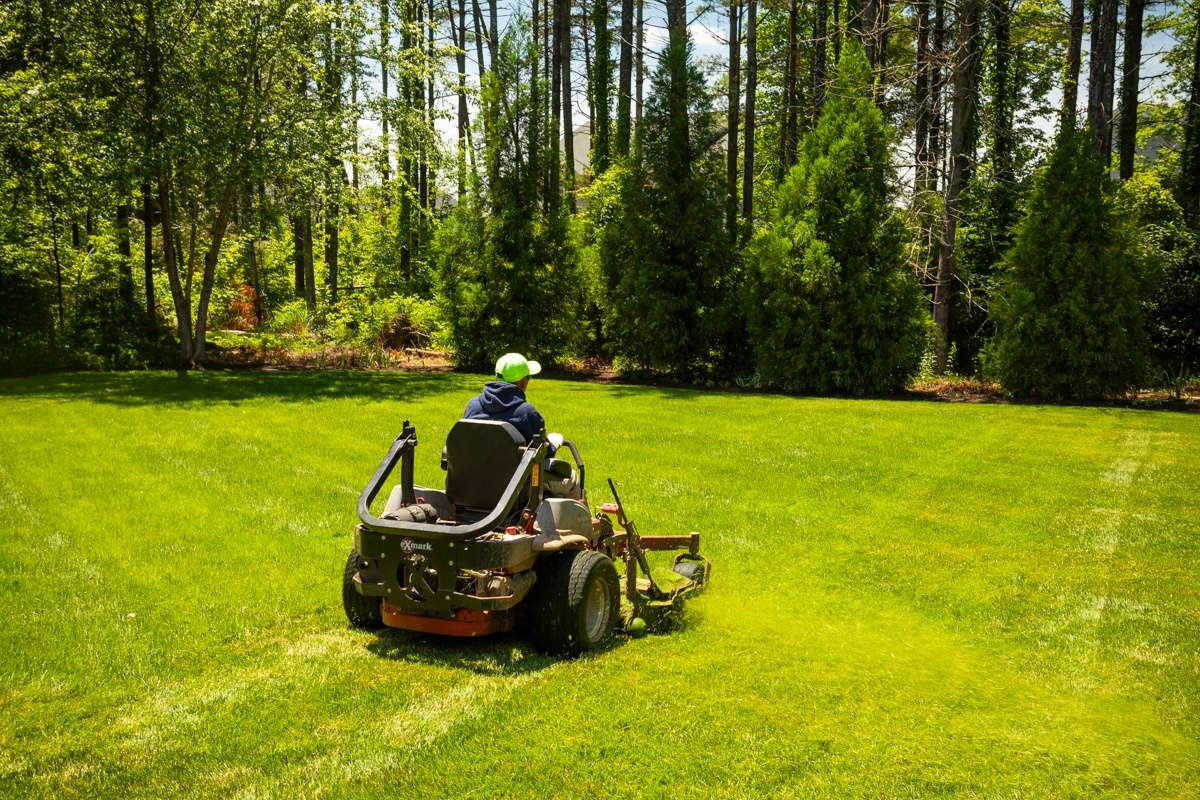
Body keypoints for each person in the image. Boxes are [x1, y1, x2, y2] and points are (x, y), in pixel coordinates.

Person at [462, 352, 546, 443]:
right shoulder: (526, 413)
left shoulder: (472, 406)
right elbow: (544, 450)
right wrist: (554, 443)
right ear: (523, 382)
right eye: (528, 377)